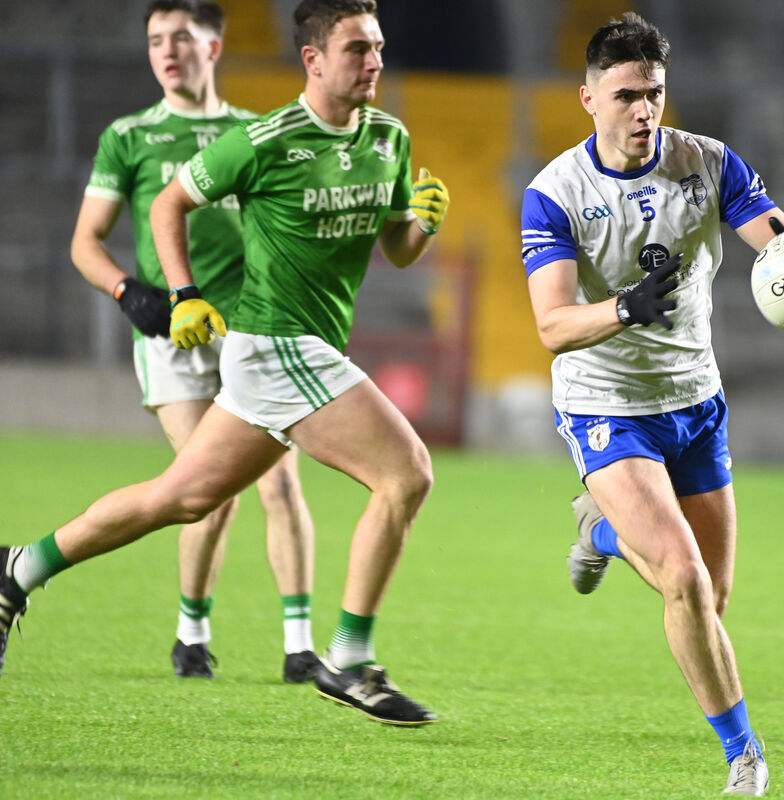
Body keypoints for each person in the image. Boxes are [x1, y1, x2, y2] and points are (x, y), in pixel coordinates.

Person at [1, 0, 449, 727]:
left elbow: (394, 248)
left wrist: (420, 226)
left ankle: (19, 567)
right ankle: (351, 662)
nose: (375, 62)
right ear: (313, 59)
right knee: (406, 473)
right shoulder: (265, 139)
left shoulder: (390, 138)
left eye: (378, 47)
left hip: (296, 352)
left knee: (179, 499)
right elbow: (167, 206)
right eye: (358, 49)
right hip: (276, 345)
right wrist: (180, 295)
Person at [520, 12, 784, 796]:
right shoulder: (557, 193)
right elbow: (550, 324)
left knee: (713, 594)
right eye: (628, 95)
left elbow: (773, 240)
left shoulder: (707, 164)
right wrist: (621, 311)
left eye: (656, 94)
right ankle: (744, 757)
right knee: (682, 579)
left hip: (695, 401)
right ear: (589, 98)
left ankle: (600, 529)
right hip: (607, 403)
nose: (645, 110)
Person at [69, 0, 319, 684]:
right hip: (173, 335)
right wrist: (129, 292)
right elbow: (84, 244)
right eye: (155, 40)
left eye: (181, 37)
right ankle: (192, 632)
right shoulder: (130, 136)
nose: (166, 50)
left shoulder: (253, 132)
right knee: (202, 488)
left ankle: (300, 646)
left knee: (281, 483)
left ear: (214, 46)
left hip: (252, 330)